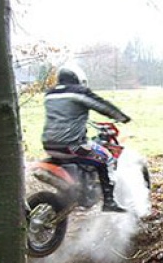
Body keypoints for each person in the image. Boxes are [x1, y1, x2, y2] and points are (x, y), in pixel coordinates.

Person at [41, 63, 132, 213]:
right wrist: (121, 117)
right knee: (107, 158)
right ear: (78, 78)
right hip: (72, 146)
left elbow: (65, 114)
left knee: (86, 154)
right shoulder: (79, 92)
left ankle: (77, 190)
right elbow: (102, 105)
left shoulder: (50, 94)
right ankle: (109, 202)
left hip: (49, 144)